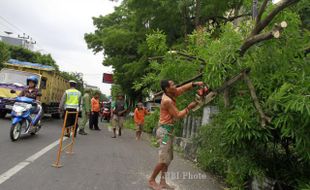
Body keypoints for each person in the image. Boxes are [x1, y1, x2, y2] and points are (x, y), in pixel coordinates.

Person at [148, 80, 203, 190]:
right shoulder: (167, 100)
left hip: (169, 130)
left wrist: (194, 84)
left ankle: (162, 182)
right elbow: (178, 115)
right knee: (163, 159)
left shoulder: (170, 93)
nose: (175, 85)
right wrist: (189, 108)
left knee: (168, 159)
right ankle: (152, 180)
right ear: (167, 88)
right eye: (172, 85)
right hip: (165, 132)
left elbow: (182, 88)